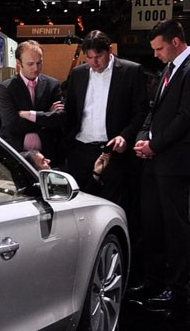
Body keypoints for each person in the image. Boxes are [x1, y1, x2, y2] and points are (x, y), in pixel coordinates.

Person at [132, 20, 190, 307]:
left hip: (175, 163)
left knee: (174, 228)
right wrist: (142, 139)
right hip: (154, 161)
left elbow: (186, 117)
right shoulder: (169, 69)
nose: (155, 54)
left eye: (159, 48)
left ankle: (177, 289)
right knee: (152, 223)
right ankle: (153, 281)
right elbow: (154, 112)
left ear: (175, 42)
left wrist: (155, 146)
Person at [62, 30, 149, 205]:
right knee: (78, 206)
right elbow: (70, 111)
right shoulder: (78, 74)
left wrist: (125, 136)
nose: (94, 62)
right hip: (81, 151)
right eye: (89, 57)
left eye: (98, 56)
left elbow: (141, 112)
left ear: (110, 50)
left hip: (113, 152)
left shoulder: (131, 71)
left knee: (114, 206)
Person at [0, 40, 65, 162]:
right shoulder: (7, 88)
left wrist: (29, 115)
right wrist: (46, 115)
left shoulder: (52, 85)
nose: (36, 68)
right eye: (30, 64)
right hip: (17, 154)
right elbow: (12, 124)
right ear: (19, 63)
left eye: (39, 63)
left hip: (48, 154)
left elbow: (59, 120)